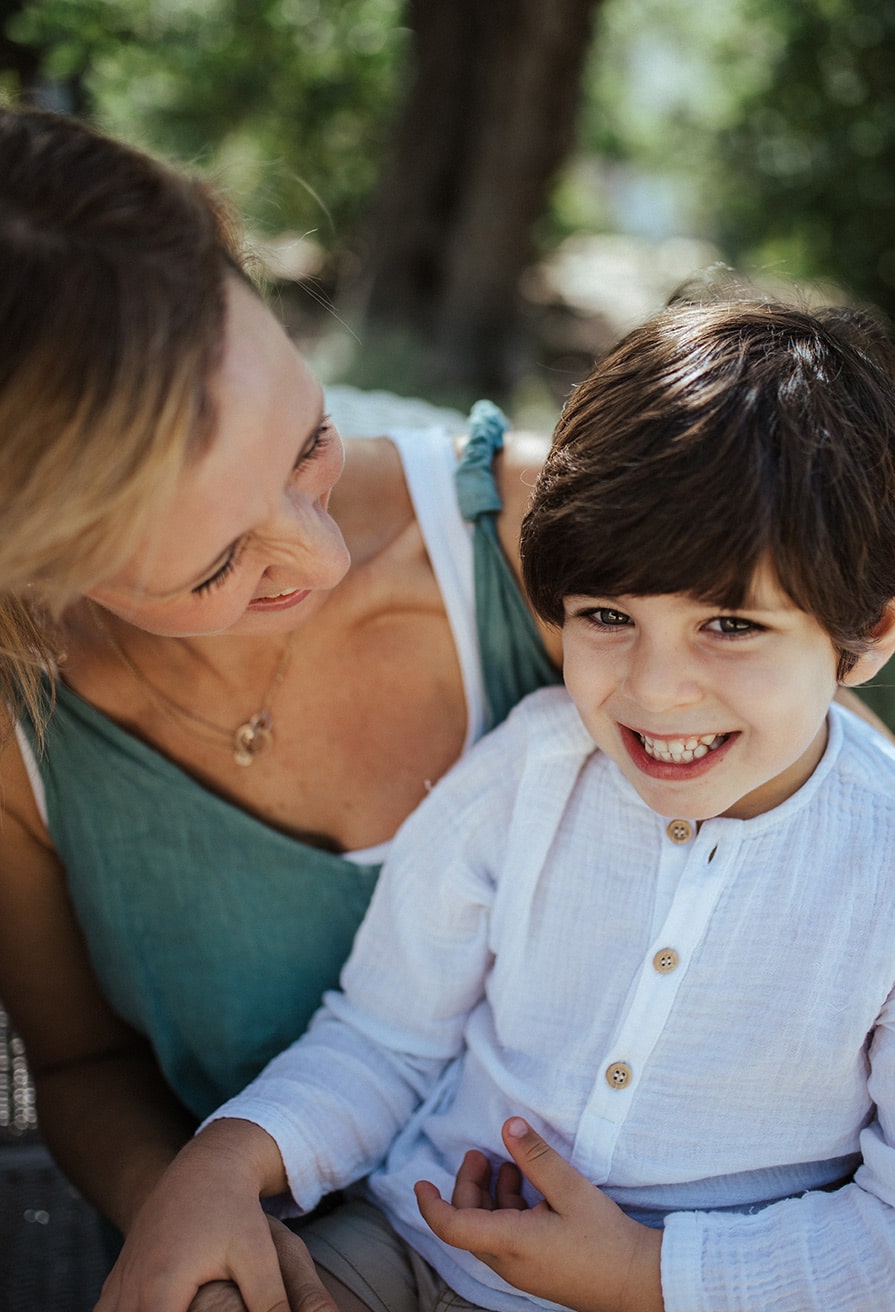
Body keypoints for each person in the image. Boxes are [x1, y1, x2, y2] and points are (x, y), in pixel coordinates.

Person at [95, 295, 895, 1312]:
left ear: (871, 628)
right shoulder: (529, 770)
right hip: (416, 1246)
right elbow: (385, 1039)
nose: (654, 689)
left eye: (731, 626)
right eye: (608, 616)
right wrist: (225, 1162)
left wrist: (641, 1274)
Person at [0, 103, 561, 1307]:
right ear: (35, 570)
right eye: (215, 568)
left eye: (309, 442)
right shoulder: (19, 732)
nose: (317, 559)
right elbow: (85, 1061)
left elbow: (885, 859)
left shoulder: (548, 539)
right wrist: (190, 1223)